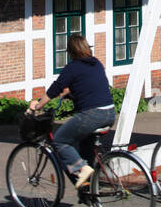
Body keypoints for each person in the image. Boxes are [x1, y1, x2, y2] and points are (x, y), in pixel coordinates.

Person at [28, 34, 114, 188]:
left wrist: (38, 105)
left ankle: (81, 170)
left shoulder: (73, 67)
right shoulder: (96, 63)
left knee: (59, 140)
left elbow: (55, 88)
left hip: (92, 115)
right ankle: (89, 190)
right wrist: (71, 94)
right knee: (85, 146)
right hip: (110, 112)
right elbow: (90, 85)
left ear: (71, 52)